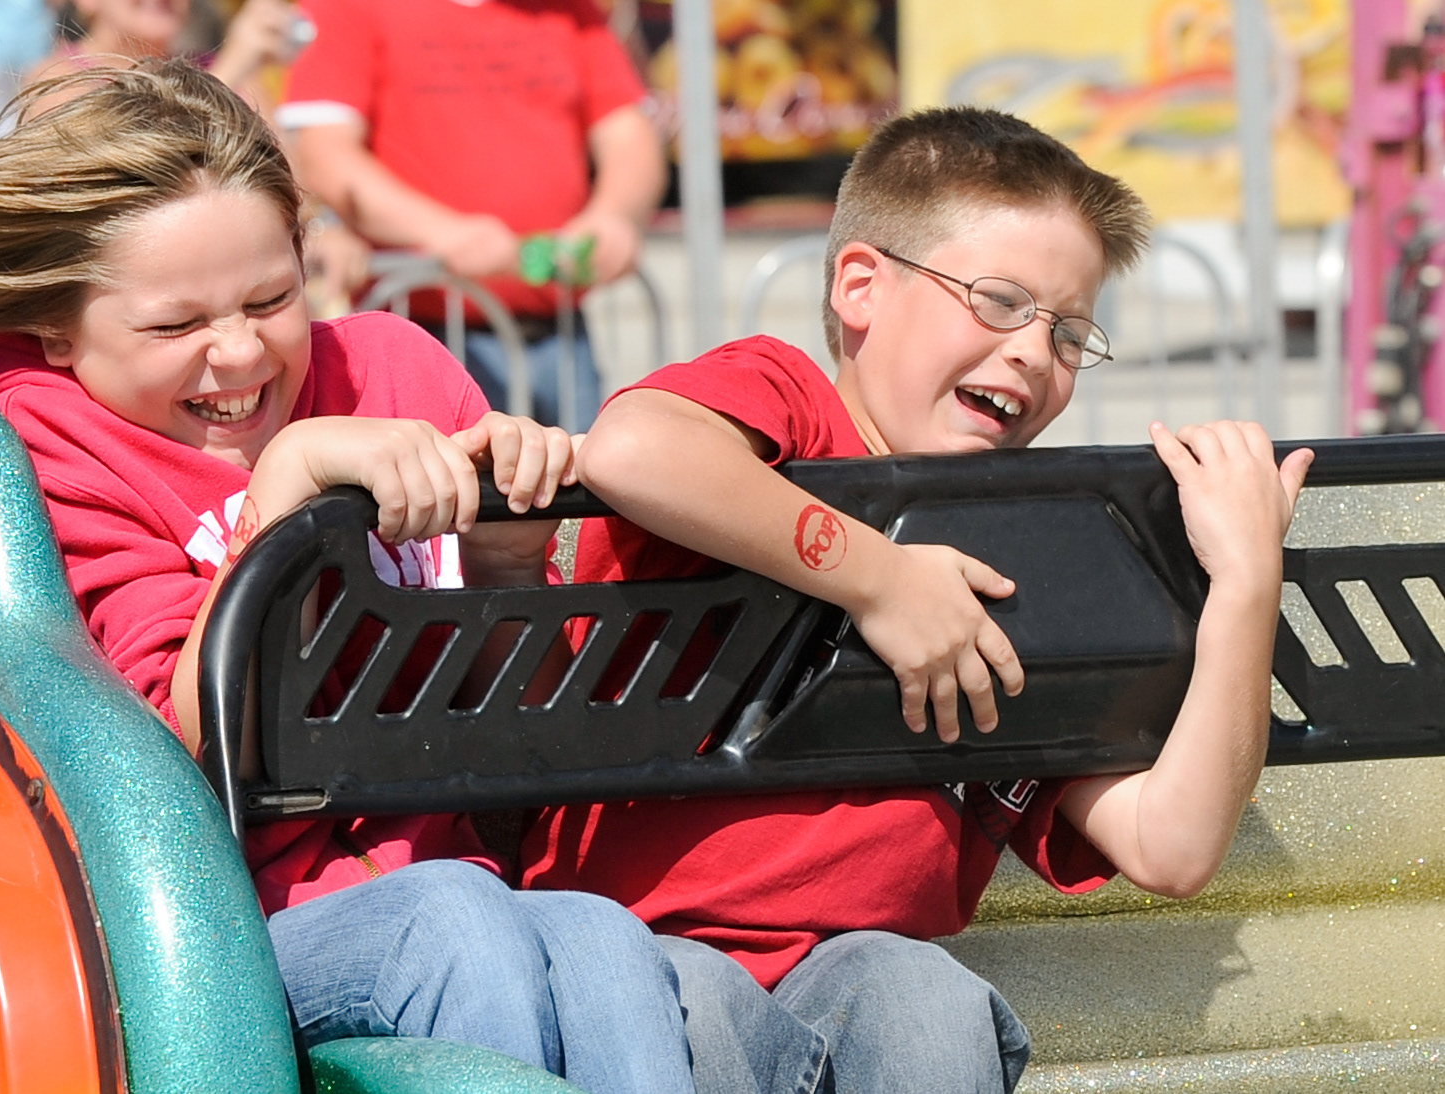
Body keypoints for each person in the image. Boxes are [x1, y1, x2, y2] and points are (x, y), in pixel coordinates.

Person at [0, 60, 695, 1094]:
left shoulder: (398, 372)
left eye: (270, 298)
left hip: (451, 873)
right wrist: (283, 493)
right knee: (452, 924)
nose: (236, 352)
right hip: (209, 929)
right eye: (173, 326)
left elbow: (530, 715)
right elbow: (169, 777)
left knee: (601, 941)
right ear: (59, 325)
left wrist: (508, 571)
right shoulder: (44, 445)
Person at [522, 107, 1314, 1094]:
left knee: (925, 998)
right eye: (998, 300)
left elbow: (1174, 841)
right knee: (694, 1003)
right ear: (861, 286)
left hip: (865, 980)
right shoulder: (786, 403)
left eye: (1070, 331)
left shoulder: (1027, 559)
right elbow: (634, 451)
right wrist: (881, 577)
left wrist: (1245, 583)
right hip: (640, 961)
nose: (1035, 351)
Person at [278, 0, 667, 430]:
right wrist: (443, 234)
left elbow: (631, 137)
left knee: (584, 494)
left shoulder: (572, 12)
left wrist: (612, 217)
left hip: (560, 333)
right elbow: (324, 155)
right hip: (422, 338)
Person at [27, 0, 303, 110]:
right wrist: (227, 74)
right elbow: (124, 171)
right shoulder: (58, 79)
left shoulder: (227, 69)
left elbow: (293, 182)